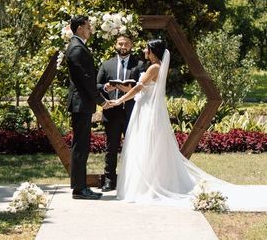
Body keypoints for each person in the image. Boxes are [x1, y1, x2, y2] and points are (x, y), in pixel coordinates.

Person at [104, 38, 230, 205]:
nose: (144, 52)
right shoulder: (159, 66)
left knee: (144, 146)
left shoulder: (154, 67)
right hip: (147, 106)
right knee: (151, 146)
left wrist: (120, 101)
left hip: (147, 109)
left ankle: (146, 185)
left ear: (153, 52)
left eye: (146, 49)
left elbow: (139, 88)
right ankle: (151, 182)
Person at [64, 14, 107, 200]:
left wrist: (102, 88)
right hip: (81, 104)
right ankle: (79, 189)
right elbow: (86, 80)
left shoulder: (78, 46)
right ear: (80, 27)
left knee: (81, 146)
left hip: (82, 103)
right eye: (88, 26)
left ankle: (79, 186)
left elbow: (86, 80)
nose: (90, 30)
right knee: (81, 147)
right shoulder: (76, 49)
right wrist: (101, 100)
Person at [97, 34, 144, 192]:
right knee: (111, 148)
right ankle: (109, 181)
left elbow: (143, 88)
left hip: (132, 112)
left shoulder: (139, 65)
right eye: (120, 44)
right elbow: (96, 85)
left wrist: (126, 88)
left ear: (131, 46)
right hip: (112, 112)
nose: (123, 47)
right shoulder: (106, 64)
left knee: (134, 147)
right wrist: (105, 88)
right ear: (115, 45)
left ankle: (133, 181)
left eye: (126, 44)